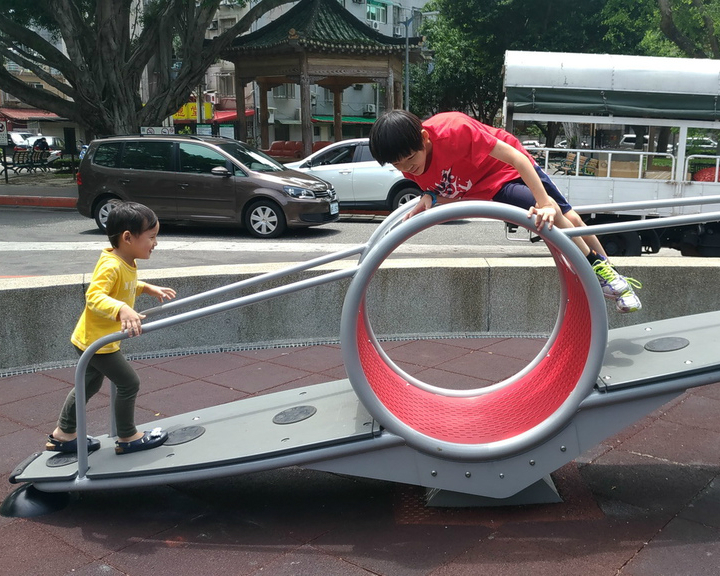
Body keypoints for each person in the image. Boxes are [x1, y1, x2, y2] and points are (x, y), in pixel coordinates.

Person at [368, 110, 641, 313]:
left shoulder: (455, 131)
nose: (407, 167)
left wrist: (543, 201)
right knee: (558, 215)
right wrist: (431, 197)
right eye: (398, 164)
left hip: (507, 170)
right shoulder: (408, 162)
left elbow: (516, 158)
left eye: (410, 159)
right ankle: (608, 276)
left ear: (424, 138)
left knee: (562, 215)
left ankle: (606, 273)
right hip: (486, 189)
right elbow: (455, 191)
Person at [46, 201, 177, 455]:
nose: (155, 243)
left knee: (88, 385)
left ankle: (63, 433)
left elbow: (126, 285)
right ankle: (128, 436)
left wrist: (146, 288)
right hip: (98, 343)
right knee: (129, 383)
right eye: (151, 237)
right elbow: (95, 296)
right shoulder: (111, 265)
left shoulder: (125, 261)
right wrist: (122, 309)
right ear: (128, 237)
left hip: (93, 339)